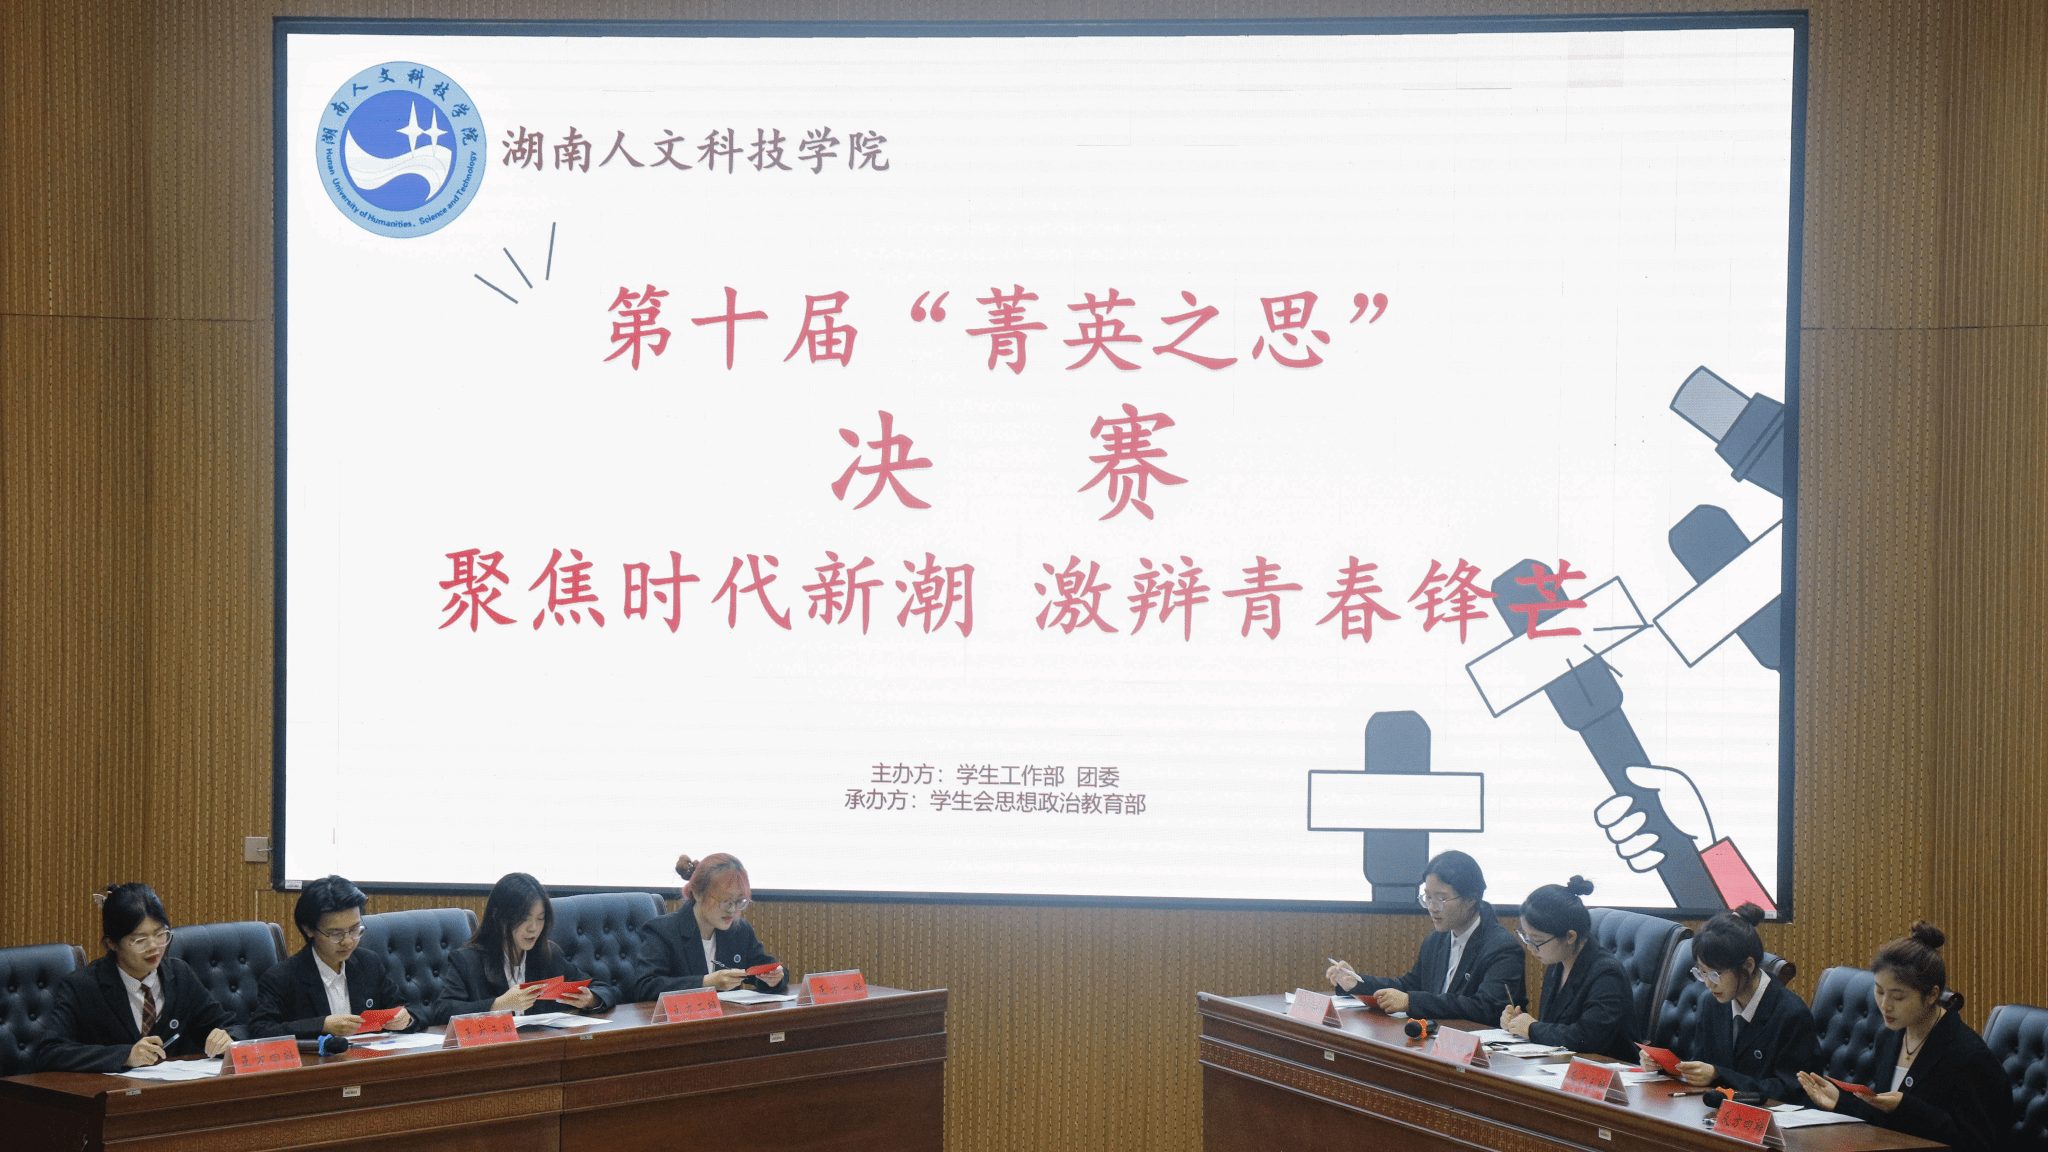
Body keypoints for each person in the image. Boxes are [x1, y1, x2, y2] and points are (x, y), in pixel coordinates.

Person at [1795, 923, 2011, 1152]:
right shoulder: (1888, 1037)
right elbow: (1883, 1119)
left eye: (1898, 997)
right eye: (1879, 991)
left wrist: (1906, 1108)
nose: (1884, 1005)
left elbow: (1977, 1143)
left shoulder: (1968, 1056)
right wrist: (1841, 1101)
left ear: (1932, 995)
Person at [34, 884, 242, 1071]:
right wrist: (125, 1056)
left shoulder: (180, 975)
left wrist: (227, 1038)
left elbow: (233, 1026)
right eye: (140, 940)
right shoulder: (83, 986)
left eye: (160, 934)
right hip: (112, 1095)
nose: (153, 946)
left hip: (171, 1092)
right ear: (112, 943)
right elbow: (49, 1052)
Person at [1324, 851, 1524, 1023]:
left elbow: (1486, 1007)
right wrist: (1358, 983)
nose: (1432, 907)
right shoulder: (1436, 941)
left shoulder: (1502, 948)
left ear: (1471, 899)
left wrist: (1411, 1001)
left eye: (1441, 898)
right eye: (1428, 897)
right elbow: (1408, 987)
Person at [250, 874, 427, 1040]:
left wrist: (407, 1018)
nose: (348, 941)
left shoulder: (368, 963)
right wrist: (322, 1025)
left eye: (355, 929)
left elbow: (411, 1009)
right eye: (336, 934)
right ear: (309, 929)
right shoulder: (282, 978)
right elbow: (260, 1029)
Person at [1673, 903, 1816, 1104]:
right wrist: (1665, 1067)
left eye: (1716, 974)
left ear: (1748, 965)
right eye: (1702, 972)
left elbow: (1791, 1089)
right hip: (1715, 1111)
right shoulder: (1711, 1003)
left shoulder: (1791, 1014)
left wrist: (1718, 1075)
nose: (1708, 983)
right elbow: (1702, 1065)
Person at [437, 872, 618, 1022]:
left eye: (540, 918)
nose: (534, 928)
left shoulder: (548, 955)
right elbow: (443, 1011)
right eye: (524, 918)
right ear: (499, 917)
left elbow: (603, 989)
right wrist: (498, 1005)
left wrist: (591, 999)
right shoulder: (467, 961)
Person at [1499, 876, 1638, 1062]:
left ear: (1570, 936)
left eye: (1537, 941)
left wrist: (1532, 1029)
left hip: (1608, 1069)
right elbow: (1556, 1027)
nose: (1530, 948)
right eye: (1527, 938)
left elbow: (1588, 1038)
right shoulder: (1557, 964)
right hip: (1564, 1065)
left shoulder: (1606, 974)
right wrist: (1518, 1023)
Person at [631, 854, 788, 1002]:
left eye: (739, 901)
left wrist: (775, 978)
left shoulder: (739, 931)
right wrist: (706, 982)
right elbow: (644, 988)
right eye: (726, 901)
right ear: (698, 894)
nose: (732, 910)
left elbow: (768, 968)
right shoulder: (663, 931)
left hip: (727, 1019)